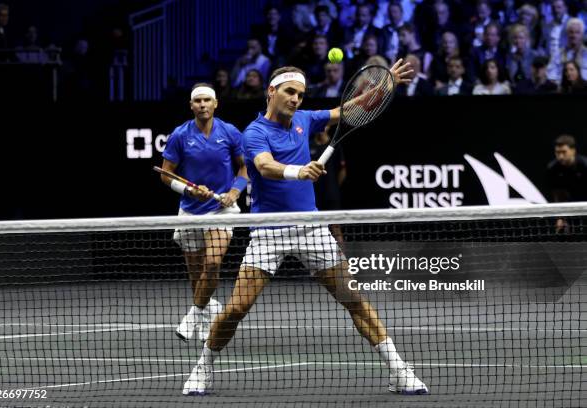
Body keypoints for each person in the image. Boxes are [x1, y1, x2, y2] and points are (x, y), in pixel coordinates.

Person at [182, 61, 429, 396]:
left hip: (312, 229)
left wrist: (384, 85)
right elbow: (264, 166)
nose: (296, 99)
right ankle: (202, 368)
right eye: (289, 92)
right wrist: (298, 172)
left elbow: (346, 110)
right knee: (236, 308)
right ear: (272, 91)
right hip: (268, 231)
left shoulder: (304, 119)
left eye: (300, 93)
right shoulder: (254, 133)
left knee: (353, 299)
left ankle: (399, 369)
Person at [160, 83, 248, 342]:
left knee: (212, 263)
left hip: (222, 210)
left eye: (206, 100)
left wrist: (234, 192)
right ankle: (209, 312)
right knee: (197, 275)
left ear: (215, 103)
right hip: (189, 211)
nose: (202, 104)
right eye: (197, 101)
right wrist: (189, 191)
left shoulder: (230, 132)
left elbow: (244, 169)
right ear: (191, 106)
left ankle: (193, 313)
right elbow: (166, 174)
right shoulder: (179, 135)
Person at [546, 134, 587, 232]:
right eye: (557, 152)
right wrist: (560, 217)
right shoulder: (553, 169)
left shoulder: (585, 165)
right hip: (571, 207)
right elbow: (558, 195)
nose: (560, 156)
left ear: (573, 151)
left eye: (564, 152)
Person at [547, 18, 587, 83]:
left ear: (582, 35)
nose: (574, 35)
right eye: (571, 32)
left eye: (577, 32)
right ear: (567, 34)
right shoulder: (557, 54)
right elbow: (551, 76)